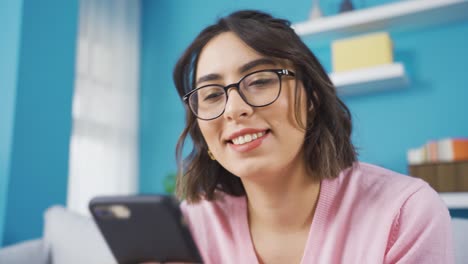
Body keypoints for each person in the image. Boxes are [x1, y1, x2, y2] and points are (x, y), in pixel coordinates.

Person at [172, 10, 454, 264]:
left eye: (259, 81)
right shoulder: (192, 223)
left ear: (311, 97)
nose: (234, 109)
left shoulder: (404, 212)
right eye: (211, 94)